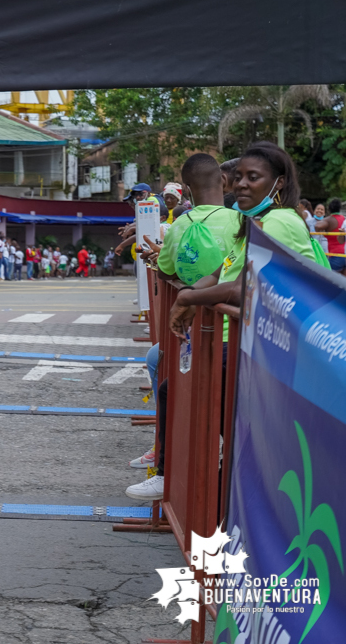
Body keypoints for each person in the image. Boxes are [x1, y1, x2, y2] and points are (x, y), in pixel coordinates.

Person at [137, 143, 327, 501]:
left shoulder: (281, 222)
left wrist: (191, 297)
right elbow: (222, 270)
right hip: (240, 335)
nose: (240, 184)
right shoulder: (250, 221)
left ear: (279, 183)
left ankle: (191, 480)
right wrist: (191, 293)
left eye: (252, 178)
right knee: (182, 394)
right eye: (237, 177)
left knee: (194, 400)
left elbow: (253, 285)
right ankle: (201, 481)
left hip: (269, 345)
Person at [125, 154, 240, 481]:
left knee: (164, 378)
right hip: (237, 335)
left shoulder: (181, 226)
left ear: (187, 189)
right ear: (225, 181)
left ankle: (165, 472)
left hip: (193, 336)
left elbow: (168, 271)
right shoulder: (241, 224)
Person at [314, 197, 345, 276]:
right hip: (344, 253)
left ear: (329, 209)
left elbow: (317, 226)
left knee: (329, 280)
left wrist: (323, 230)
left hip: (335, 255)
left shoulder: (329, 219)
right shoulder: (344, 219)